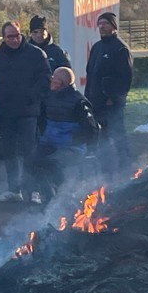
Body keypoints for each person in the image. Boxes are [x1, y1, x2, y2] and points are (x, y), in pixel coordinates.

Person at [0, 20, 51, 204]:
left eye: (16, 35)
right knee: (9, 152)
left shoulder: (36, 54)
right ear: (3, 38)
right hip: (5, 112)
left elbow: (46, 78)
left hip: (28, 112)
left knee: (29, 152)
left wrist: (33, 97)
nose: (14, 40)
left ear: (21, 34)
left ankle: (33, 190)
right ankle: (13, 189)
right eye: (9, 37)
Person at [27, 67, 99, 203]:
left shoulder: (79, 102)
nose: (51, 81)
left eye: (55, 79)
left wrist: (71, 140)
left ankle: (62, 194)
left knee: (52, 163)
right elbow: (42, 121)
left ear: (63, 83)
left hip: (71, 146)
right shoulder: (49, 97)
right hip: (49, 142)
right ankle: (46, 194)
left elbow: (91, 130)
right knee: (31, 162)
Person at [84, 12, 133, 174]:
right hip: (95, 102)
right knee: (101, 139)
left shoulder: (120, 48)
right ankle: (106, 173)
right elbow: (91, 75)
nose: (101, 27)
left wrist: (113, 98)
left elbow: (125, 79)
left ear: (113, 26)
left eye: (105, 23)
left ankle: (126, 171)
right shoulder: (97, 47)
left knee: (118, 138)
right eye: (100, 23)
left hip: (112, 105)